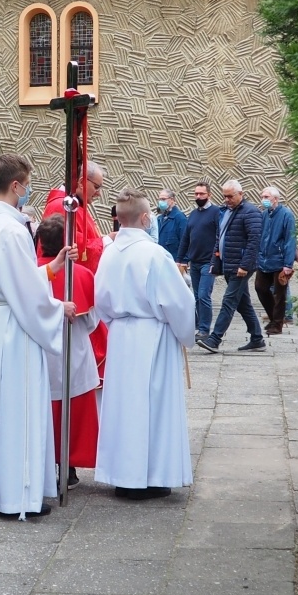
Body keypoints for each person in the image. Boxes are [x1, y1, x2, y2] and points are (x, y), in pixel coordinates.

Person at [0, 155, 73, 517]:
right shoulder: (10, 229)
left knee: (0, 407)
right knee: (19, 408)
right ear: (15, 186)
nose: (29, 191)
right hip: (17, 326)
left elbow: (17, 278)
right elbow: (23, 290)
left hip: (1, 321)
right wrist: (58, 309)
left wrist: (51, 268)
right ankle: (17, 494)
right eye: (27, 184)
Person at [94, 190, 195, 499]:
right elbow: (177, 302)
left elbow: (101, 301)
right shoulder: (155, 254)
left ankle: (124, 475)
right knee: (153, 406)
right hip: (153, 333)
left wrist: (117, 324)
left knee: (123, 407)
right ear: (144, 217)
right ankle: (151, 475)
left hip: (122, 335)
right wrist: (185, 334)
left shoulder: (109, 252)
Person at [35, 215, 99, 483]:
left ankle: (43, 462)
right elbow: (93, 321)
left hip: (40, 354)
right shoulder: (81, 275)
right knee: (73, 411)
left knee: (42, 408)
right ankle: (68, 467)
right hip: (74, 351)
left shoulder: (29, 273)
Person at [198, 179, 264, 353]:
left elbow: (254, 241)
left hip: (241, 267)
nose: (226, 199)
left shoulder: (251, 212)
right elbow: (220, 239)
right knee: (243, 303)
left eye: (230, 196)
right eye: (224, 196)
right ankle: (257, 338)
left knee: (228, 301)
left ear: (240, 194)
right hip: (229, 264)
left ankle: (214, 339)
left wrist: (245, 265)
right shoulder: (226, 211)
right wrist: (215, 262)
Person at [177, 180, 222, 340]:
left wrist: (216, 259)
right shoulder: (194, 214)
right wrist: (181, 259)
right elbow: (186, 238)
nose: (198, 196)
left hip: (208, 262)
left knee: (203, 295)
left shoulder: (217, 212)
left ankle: (204, 330)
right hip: (194, 262)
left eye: (201, 194)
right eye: (196, 193)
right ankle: (199, 326)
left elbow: (220, 237)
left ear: (209, 195)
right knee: (196, 297)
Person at [255, 185, 298, 336]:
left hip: (279, 261)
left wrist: (288, 264)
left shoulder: (286, 215)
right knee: (260, 288)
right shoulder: (264, 214)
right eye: (262, 197)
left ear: (275, 199)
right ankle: (274, 318)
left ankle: (277, 325)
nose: (263, 200)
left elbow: (290, 239)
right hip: (264, 260)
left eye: (266, 197)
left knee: (280, 295)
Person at [154, 189, 186, 261]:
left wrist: (183, 261)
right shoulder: (159, 219)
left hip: (174, 261)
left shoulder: (180, 218)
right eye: (159, 199)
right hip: (160, 260)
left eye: (163, 199)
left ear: (172, 200)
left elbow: (185, 241)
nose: (160, 202)